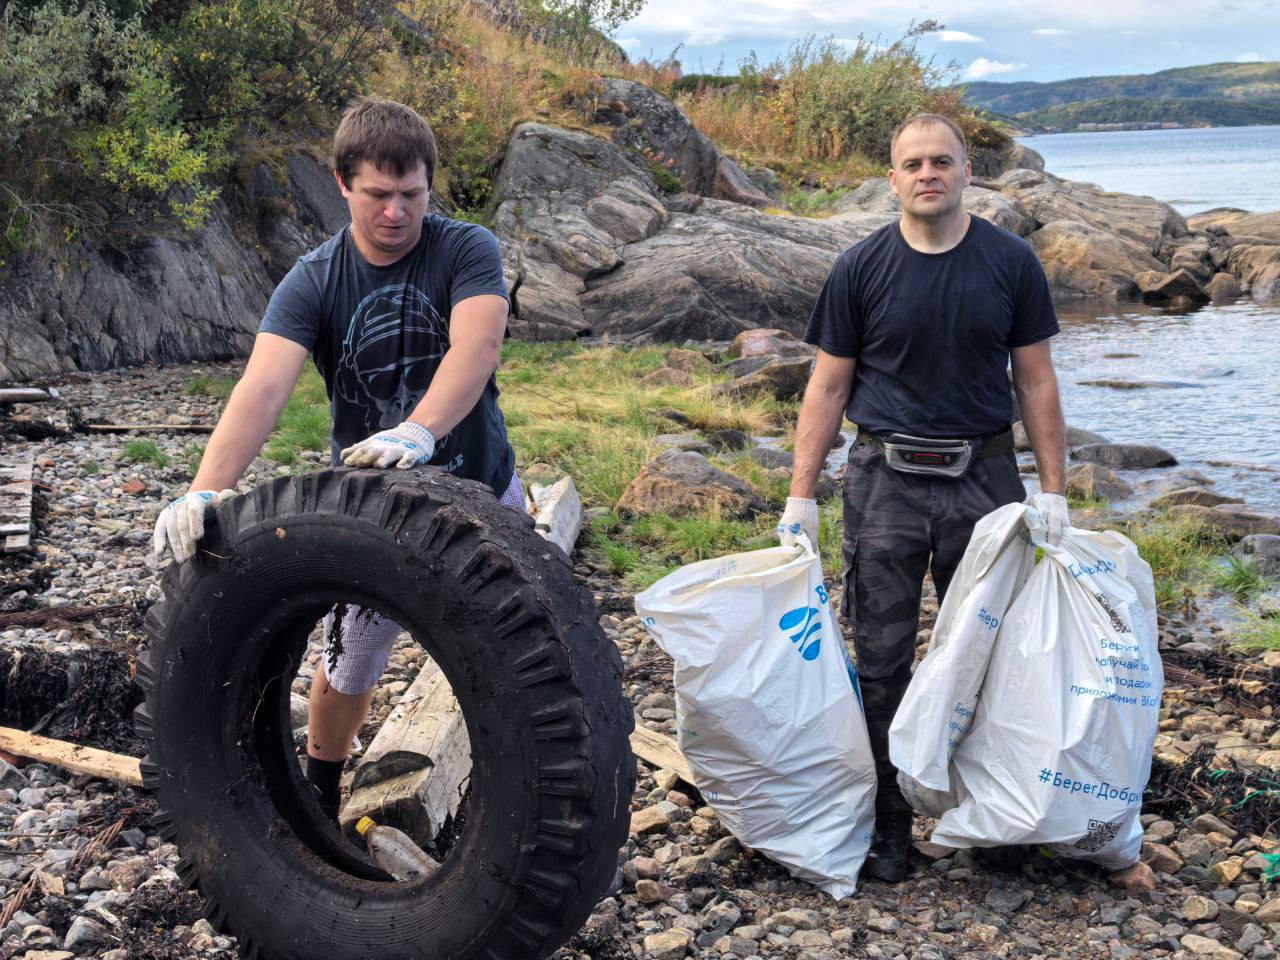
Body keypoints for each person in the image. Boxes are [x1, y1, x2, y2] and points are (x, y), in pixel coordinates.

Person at [150, 97, 524, 820]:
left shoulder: (466, 248)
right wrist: (204, 490)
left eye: (411, 195)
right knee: (350, 658)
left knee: (517, 639)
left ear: (428, 186)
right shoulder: (315, 279)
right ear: (342, 183)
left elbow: (477, 347)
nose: (395, 213)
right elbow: (262, 388)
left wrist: (420, 430)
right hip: (376, 502)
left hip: (484, 482)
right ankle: (320, 791)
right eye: (378, 195)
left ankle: (512, 787)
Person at [777, 113, 1069, 883]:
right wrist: (801, 498)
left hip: (986, 480)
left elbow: (1035, 379)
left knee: (996, 657)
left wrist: (1055, 491)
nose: (928, 174)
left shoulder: (1011, 263)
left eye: (942, 161)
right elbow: (829, 384)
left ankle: (997, 823)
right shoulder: (859, 267)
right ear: (893, 177)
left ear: (968, 172)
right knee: (881, 661)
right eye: (913, 163)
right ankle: (889, 826)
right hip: (885, 483)